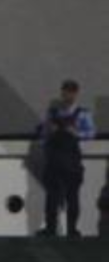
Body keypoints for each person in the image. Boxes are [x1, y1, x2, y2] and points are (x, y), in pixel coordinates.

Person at [39, 79, 96, 237]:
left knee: (73, 196)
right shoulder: (52, 113)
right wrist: (48, 135)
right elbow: (43, 134)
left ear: (76, 94)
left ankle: (72, 230)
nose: (67, 94)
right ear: (62, 93)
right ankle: (50, 229)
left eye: (71, 91)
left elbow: (91, 134)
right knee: (51, 197)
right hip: (54, 160)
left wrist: (77, 133)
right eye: (65, 91)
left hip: (72, 161)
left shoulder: (83, 113)